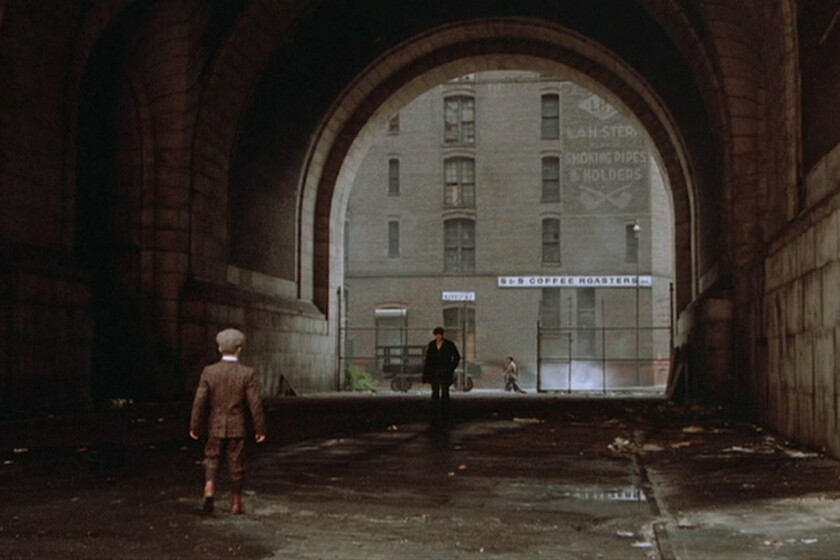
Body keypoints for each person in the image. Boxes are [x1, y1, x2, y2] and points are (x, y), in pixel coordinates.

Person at [190, 328, 267, 514]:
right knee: (237, 462)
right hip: (237, 426)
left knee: (212, 457)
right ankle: (236, 501)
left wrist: (195, 425)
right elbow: (255, 403)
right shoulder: (247, 373)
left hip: (215, 425)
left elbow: (199, 401)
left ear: (219, 348)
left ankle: (209, 486)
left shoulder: (209, 372)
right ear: (239, 349)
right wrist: (260, 428)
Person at [422, 326, 460, 424]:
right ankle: (435, 412)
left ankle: (445, 412)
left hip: (445, 372)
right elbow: (428, 359)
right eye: (436, 335)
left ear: (442, 335)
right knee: (435, 392)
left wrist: (451, 367)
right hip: (435, 372)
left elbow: (456, 357)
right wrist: (427, 372)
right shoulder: (432, 345)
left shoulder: (449, 344)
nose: (438, 337)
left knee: (445, 392)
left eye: (439, 335)